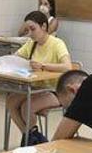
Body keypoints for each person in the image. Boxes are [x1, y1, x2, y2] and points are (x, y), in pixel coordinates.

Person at [6, 11, 73, 146]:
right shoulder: (32, 43)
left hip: (55, 90)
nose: (30, 33)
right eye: (28, 30)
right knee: (11, 102)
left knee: (27, 106)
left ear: (43, 26)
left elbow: (67, 67)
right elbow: (16, 57)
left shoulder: (57, 43)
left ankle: (30, 140)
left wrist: (43, 66)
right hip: (36, 87)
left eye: (33, 29)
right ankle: (30, 137)